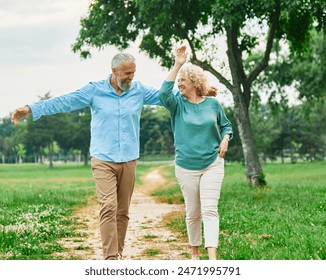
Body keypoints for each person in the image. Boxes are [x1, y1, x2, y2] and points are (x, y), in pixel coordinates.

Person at [11, 52, 174, 260]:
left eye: (133, 73)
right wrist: (30, 109)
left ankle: (119, 253)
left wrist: (199, 93)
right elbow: (65, 101)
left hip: (129, 159)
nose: (131, 77)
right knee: (108, 206)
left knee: (122, 211)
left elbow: (167, 97)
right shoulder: (94, 90)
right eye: (127, 73)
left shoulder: (139, 90)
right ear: (114, 71)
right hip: (103, 160)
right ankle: (111, 259)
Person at [158, 46, 233, 260]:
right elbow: (163, 92)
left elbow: (227, 126)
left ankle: (212, 260)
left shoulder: (213, 104)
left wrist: (225, 139)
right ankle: (194, 255)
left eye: (183, 79)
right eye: (178, 80)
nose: (179, 83)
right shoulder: (176, 105)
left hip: (212, 162)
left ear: (195, 81)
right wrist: (178, 64)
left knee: (210, 210)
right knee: (193, 213)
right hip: (186, 166)